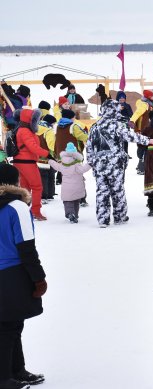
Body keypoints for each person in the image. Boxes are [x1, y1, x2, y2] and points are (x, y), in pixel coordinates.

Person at [0, 164, 47, 389]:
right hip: (12, 272)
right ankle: (4, 377)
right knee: (9, 326)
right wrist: (39, 278)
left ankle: (17, 369)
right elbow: (26, 247)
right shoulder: (17, 207)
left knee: (10, 324)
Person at [87, 99, 153, 227]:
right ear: (113, 110)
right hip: (114, 165)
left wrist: (91, 162)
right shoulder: (115, 125)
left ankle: (102, 219)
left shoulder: (94, 127)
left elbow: (89, 147)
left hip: (99, 166)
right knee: (117, 191)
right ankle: (120, 216)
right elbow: (130, 136)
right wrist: (148, 140)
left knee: (101, 192)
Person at [9, 109, 50, 222]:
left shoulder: (20, 129)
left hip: (20, 162)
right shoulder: (25, 131)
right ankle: (35, 211)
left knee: (25, 189)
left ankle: (24, 211)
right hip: (27, 162)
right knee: (37, 187)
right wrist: (47, 154)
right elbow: (32, 147)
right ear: (29, 120)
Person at [47, 142, 91, 224]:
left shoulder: (62, 163)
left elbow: (55, 165)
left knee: (68, 202)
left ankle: (70, 213)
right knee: (76, 202)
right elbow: (83, 169)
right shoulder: (77, 164)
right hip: (77, 186)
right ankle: (76, 215)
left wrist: (50, 161)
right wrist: (90, 164)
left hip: (67, 188)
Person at [131, 90, 153, 175]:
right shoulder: (144, 105)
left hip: (146, 128)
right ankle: (141, 168)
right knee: (144, 147)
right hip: (142, 129)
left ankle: (140, 165)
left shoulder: (149, 104)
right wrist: (132, 121)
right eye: (152, 96)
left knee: (145, 146)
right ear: (148, 97)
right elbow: (137, 113)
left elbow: (151, 116)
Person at [35, 114, 57, 205]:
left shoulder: (35, 128)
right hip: (48, 156)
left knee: (42, 176)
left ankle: (43, 195)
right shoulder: (48, 130)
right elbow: (51, 145)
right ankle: (49, 194)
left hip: (37, 156)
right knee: (51, 175)